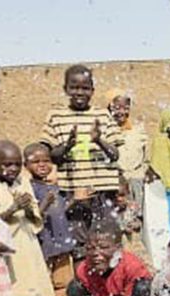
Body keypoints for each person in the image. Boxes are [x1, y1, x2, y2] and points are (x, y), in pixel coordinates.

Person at [40, 64, 123, 257]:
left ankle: (111, 277)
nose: (79, 92)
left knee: (107, 242)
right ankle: (81, 276)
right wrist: (68, 146)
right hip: (72, 194)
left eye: (85, 88)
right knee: (79, 246)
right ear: (65, 89)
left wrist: (99, 140)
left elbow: (114, 155)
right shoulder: (56, 116)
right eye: (74, 87)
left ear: (92, 90)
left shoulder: (103, 115)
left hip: (103, 193)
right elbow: (52, 156)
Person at [0, 141, 56, 296]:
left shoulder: (23, 182)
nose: (13, 169)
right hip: (10, 252)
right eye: (7, 164)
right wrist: (13, 208)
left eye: (17, 164)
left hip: (28, 245)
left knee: (36, 291)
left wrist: (28, 208)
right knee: (18, 294)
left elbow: (34, 219)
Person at [26, 143, 76, 296]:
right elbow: (32, 218)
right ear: (26, 165)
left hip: (61, 246)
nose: (42, 165)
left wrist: (74, 200)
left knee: (63, 284)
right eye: (36, 161)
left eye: (46, 161)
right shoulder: (28, 189)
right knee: (43, 285)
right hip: (43, 247)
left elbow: (61, 211)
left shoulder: (55, 187)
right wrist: (45, 204)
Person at [106, 89, 148, 208]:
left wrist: (139, 177)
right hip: (113, 184)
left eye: (126, 108)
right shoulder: (104, 133)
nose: (122, 112)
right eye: (117, 108)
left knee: (136, 214)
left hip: (136, 183)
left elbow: (145, 159)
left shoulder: (138, 132)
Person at [114, 178, 152, 270]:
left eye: (122, 195)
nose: (119, 199)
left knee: (144, 265)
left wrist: (136, 224)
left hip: (134, 242)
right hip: (119, 244)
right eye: (116, 196)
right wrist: (123, 228)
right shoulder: (111, 211)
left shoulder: (132, 207)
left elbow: (140, 221)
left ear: (128, 194)